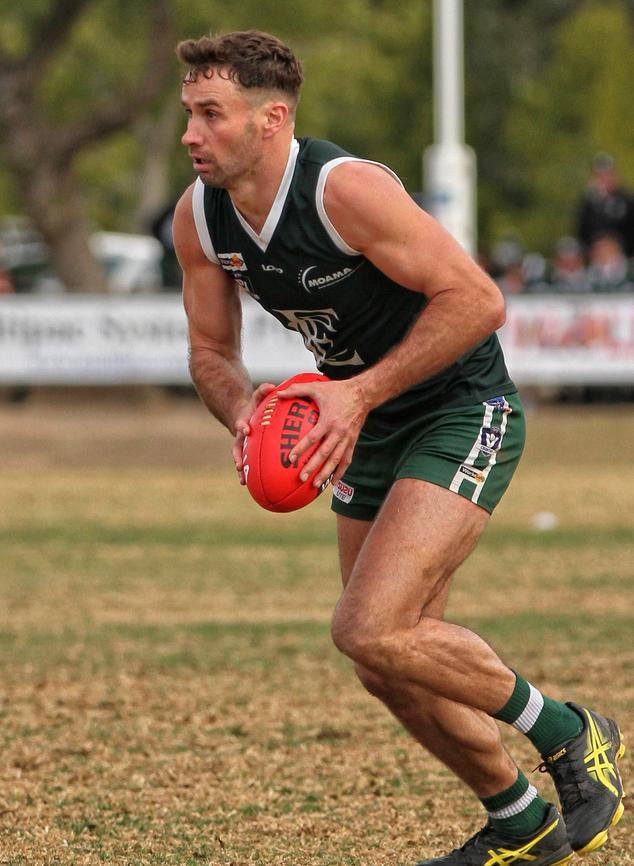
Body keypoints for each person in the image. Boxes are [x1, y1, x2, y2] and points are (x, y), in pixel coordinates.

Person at [172, 31, 625, 864]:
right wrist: (245, 413)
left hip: (459, 405)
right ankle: (521, 821)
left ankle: (575, 732)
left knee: (369, 626)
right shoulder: (199, 218)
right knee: (387, 661)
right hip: (366, 425)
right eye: (188, 115)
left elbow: (479, 301)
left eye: (211, 115)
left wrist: (356, 393)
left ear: (271, 119)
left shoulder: (344, 191)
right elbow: (210, 352)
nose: (191, 135)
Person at [576, 152, 634, 259]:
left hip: (623, 257)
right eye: (600, 176)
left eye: (608, 175)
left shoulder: (628, 200)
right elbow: (582, 232)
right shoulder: (588, 203)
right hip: (596, 259)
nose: (604, 179)